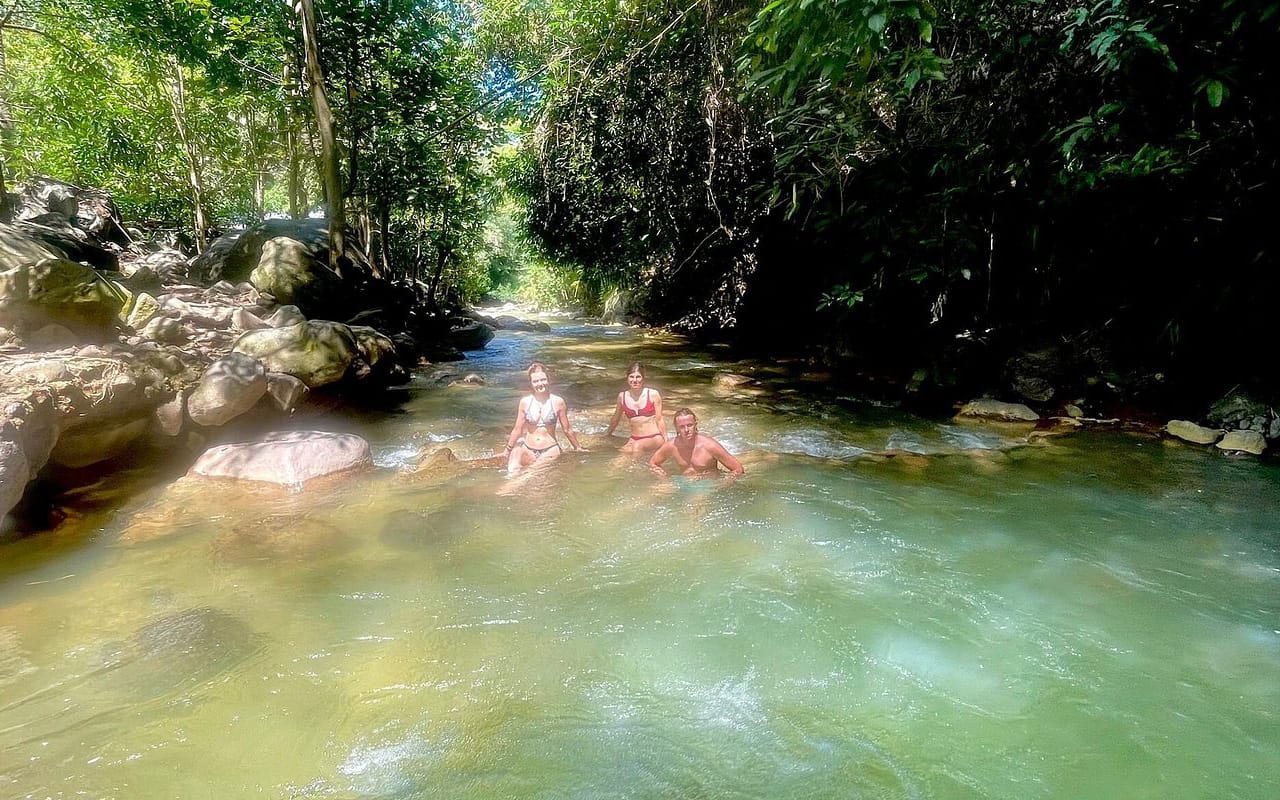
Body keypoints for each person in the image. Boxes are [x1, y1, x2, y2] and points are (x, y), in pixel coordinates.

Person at [502, 362, 584, 475]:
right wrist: (507, 451)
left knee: (531, 474)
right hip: (528, 448)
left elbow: (567, 430)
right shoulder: (525, 402)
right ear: (531, 383)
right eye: (535, 381)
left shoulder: (558, 402)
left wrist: (578, 448)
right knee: (515, 457)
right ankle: (510, 481)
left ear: (548, 380)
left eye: (543, 380)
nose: (540, 384)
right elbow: (517, 430)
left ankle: (506, 491)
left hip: (550, 450)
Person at [649, 407, 744, 478]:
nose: (686, 430)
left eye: (689, 425)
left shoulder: (710, 446)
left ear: (695, 425)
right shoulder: (672, 446)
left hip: (707, 482)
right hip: (683, 480)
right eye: (682, 427)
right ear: (676, 428)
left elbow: (738, 469)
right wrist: (664, 479)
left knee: (696, 502)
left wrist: (722, 485)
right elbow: (653, 463)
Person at [604, 362, 667, 454]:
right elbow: (616, 419)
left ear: (643, 379)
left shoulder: (653, 394)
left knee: (637, 447)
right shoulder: (622, 396)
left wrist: (666, 440)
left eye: (638, 377)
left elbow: (659, 419)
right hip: (634, 438)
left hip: (654, 437)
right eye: (631, 377)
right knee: (618, 461)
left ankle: (642, 468)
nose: (635, 380)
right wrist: (607, 434)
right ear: (627, 379)